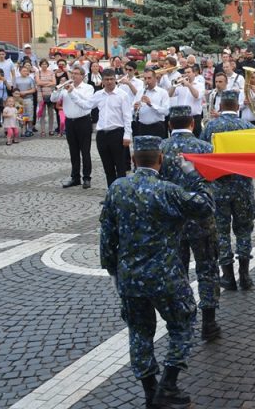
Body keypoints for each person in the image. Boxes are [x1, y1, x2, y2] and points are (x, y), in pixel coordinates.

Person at [100, 135, 215, 409]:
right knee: (183, 324)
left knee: (139, 333)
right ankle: (168, 385)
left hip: (130, 278)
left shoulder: (117, 188)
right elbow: (206, 206)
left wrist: (112, 269)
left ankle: (151, 392)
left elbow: (107, 236)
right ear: (160, 160)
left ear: (132, 160)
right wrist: (194, 175)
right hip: (166, 277)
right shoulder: (168, 191)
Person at [160, 105, 221, 339]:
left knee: (177, 271)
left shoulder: (160, 149)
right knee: (207, 269)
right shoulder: (205, 148)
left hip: (172, 222)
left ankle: (182, 320)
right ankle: (209, 322)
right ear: (193, 123)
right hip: (202, 221)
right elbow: (213, 184)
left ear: (169, 125)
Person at [200, 91, 255, 291]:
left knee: (221, 232)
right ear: (237, 106)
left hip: (219, 187)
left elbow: (203, 154)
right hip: (243, 187)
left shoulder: (211, 126)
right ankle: (245, 275)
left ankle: (228, 277)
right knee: (244, 231)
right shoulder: (248, 127)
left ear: (221, 105)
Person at [67, 68, 132, 187]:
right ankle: (110, 194)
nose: (109, 82)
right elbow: (86, 105)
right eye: (106, 79)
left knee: (120, 166)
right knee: (107, 167)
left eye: (112, 79)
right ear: (102, 81)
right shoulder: (98, 94)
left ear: (115, 80)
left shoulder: (122, 95)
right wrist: (72, 93)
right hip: (102, 134)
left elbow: (127, 116)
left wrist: (127, 135)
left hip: (117, 133)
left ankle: (121, 195)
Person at [51, 67, 94, 188]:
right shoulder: (66, 87)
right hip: (70, 122)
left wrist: (72, 91)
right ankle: (75, 177)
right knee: (73, 151)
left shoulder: (88, 88)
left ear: (82, 76)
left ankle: (86, 177)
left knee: (85, 151)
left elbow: (86, 102)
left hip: (83, 121)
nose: (73, 76)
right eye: (72, 73)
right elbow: (53, 99)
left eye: (76, 74)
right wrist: (57, 90)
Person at [168, 66, 204, 137]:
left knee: (195, 138)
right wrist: (174, 85)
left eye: (188, 72)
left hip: (194, 117)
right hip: (181, 117)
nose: (186, 74)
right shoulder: (180, 85)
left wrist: (188, 85)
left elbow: (197, 95)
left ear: (194, 73)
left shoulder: (199, 85)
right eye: (185, 73)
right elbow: (170, 94)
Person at [134, 68, 170, 139]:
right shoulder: (140, 92)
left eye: (149, 78)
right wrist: (134, 108)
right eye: (145, 78)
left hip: (157, 127)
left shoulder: (163, 92)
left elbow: (166, 112)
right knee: (143, 150)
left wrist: (151, 104)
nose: (147, 81)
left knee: (158, 150)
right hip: (142, 126)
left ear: (155, 78)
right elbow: (132, 109)